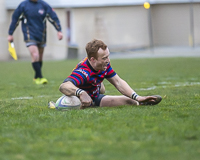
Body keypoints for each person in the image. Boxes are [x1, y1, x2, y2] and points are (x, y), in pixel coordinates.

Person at [52, 39, 162, 109]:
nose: (108, 60)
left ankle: (142, 102)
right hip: (82, 99)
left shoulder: (104, 65)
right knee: (73, 103)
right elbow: (64, 86)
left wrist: (138, 97)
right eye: (104, 58)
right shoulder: (83, 71)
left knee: (131, 101)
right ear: (93, 59)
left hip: (94, 97)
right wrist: (81, 93)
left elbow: (118, 82)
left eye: (108, 56)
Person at [7, 0, 63, 85]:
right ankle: (40, 77)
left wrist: (59, 30)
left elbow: (53, 17)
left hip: (41, 35)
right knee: (35, 55)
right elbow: (15, 19)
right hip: (29, 35)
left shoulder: (44, 5)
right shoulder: (23, 5)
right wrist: (10, 33)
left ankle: (36, 77)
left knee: (40, 57)